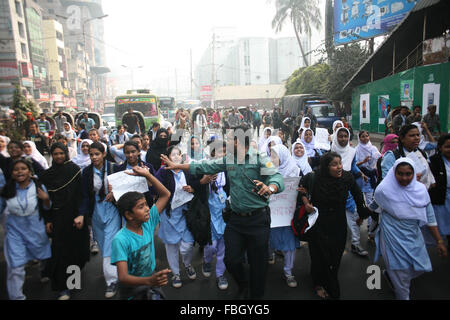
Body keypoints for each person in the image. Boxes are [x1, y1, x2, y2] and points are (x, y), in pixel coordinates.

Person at [161, 125, 284, 300]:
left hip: (258, 220)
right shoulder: (229, 159)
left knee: (258, 266)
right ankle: (243, 285)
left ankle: (255, 298)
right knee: (231, 260)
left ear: (238, 141)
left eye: (229, 138)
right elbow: (205, 165)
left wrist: (270, 187)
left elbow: (277, 177)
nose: (225, 141)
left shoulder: (261, 158)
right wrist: (177, 165)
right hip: (235, 220)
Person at [298, 152, 372, 299]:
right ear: (326, 167)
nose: (339, 167)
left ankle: (329, 279)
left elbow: (358, 195)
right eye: (334, 164)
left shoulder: (346, 177)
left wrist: (362, 214)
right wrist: (306, 203)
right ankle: (319, 283)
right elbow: (301, 190)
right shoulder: (314, 177)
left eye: (340, 163)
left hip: (338, 223)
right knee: (319, 256)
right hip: (318, 223)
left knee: (335, 256)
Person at [371, 157, 447, 300]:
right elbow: (375, 204)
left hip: (413, 235)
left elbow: (430, 217)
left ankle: (391, 276)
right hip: (391, 236)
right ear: (394, 173)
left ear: (414, 174)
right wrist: (363, 216)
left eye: (408, 174)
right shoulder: (384, 189)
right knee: (401, 277)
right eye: (400, 174)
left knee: (416, 267)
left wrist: (439, 241)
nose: (404, 178)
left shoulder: (421, 190)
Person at [111, 166, 172, 300]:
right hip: (133, 291)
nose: (147, 209)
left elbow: (165, 194)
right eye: (141, 207)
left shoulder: (147, 223)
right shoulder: (120, 240)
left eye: (146, 204)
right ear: (129, 215)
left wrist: (147, 175)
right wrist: (149, 281)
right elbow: (123, 277)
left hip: (151, 283)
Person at [40, 143, 90, 300]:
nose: (59, 156)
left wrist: (82, 215)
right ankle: (63, 287)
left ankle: (73, 282)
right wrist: (48, 220)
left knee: (75, 252)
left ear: (66, 154)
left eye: (61, 153)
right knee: (60, 253)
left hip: (75, 218)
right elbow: (45, 202)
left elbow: (83, 195)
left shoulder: (74, 171)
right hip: (57, 219)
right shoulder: (47, 176)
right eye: (55, 154)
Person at [0, 159, 52, 300]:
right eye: (16, 169)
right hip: (14, 231)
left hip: (36, 228)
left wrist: (46, 198)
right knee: (16, 265)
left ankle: (44, 271)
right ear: (11, 173)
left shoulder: (38, 186)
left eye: (23, 169)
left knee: (42, 255)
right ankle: (16, 296)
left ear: (29, 171)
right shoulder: (6, 190)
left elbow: (47, 207)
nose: (20, 172)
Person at [79, 142, 121, 298]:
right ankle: (114, 268)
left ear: (104, 154)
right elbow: (84, 195)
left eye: (97, 154)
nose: (94, 157)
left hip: (112, 209)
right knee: (104, 245)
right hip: (96, 211)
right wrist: (82, 214)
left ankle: (112, 281)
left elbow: (123, 187)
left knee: (111, 243)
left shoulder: (114, 168)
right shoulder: (86, 172)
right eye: (91, 154)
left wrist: (115, 193)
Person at [155, 146, 201, 288]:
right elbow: (155, 187)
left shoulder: (187, 170)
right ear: (167, 157)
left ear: (182, 157)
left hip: (186, 214)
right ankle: (175, 273)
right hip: (169, 214)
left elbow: (197, 185)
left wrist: (192, 188)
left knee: (187, 245)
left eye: (178, 154)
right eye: (172, 155)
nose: (175, 157)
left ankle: (187, 264)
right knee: (171, 246)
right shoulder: (163, 172)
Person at [268, 144, 301, 288]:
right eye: (271, 155)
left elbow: (304, 190)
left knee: (289, 246)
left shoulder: (296, 170)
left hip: (289, 216)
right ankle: (270, 255)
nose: (272, 159)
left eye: (275, 155)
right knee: (269, 239)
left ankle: (288, 272)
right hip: (272, 215)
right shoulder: (266, 170)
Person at [331, 127, 369, 257]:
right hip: (333, 191)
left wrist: (361, 174)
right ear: (336, 137)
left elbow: (353, 166)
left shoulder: (352, 152)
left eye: (345, 136)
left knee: (353, 217)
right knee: (334, 220)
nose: (343, 139)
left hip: (347, 189)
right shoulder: (330, 152)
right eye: (340, 136)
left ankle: (356, 243)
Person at [200, 141, 229, 290]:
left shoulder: (229, 168)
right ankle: (206, 260)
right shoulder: (204, 166)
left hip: (223, 209)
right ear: (212, 153)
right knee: (211, 245)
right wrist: (204, 181)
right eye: (219, 152)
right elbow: (196, 186)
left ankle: (220, 274)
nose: (223, 154)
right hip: (209, 211)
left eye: (225, 151)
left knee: (222, 246)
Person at [381, 124, 435, 189]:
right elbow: (386, 182)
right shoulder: (392, 156)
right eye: (412, 135)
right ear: (402, 138)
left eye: (418, 135)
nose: (416, 138)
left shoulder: (422, 153)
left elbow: (430, 179)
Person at [355, 131, 381, 241]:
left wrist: (374, 159)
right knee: (359, 201)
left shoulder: (373, 148)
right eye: (362, 136)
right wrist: (363, 161)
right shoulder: (357, 149)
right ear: (359, 138)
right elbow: (355, 164)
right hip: (361, 177)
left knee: (370, 202)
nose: (365, 138)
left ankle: (371, 226)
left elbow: (379, 160)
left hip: (371, 178)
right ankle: (357, 221)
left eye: (366, 136)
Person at [429, 134, 450, 250]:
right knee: (443, 226)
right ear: (440, 147)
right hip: (442, 198)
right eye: (447, 147)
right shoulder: (434, 161)